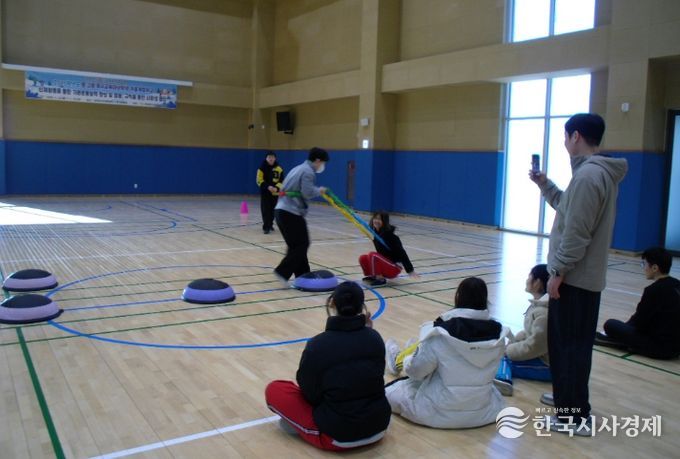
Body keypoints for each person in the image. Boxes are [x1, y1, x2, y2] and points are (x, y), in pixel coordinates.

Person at [529, 113, 628, 436]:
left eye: (565, 136)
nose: (564, 142)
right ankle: (566, 401)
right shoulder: (592, 174)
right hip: (581, 278)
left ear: (575, 137)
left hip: (575, 279)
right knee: (568, 346)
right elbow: (567, 209)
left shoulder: (588, 177)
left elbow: (577, 233)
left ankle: (573, 416)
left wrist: (558, 271)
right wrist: (544, 184)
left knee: (570, 348)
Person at [264, 281, 391, 451]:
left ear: (332, 303)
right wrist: (368, 331)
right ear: (362, 306)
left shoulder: (318, 345)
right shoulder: (375, 338)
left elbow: (310, 394)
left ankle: (303, 427)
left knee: (275, 389)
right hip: (380, 426)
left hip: (338, 435)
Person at [384, 277, 509, 429]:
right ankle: (409, 352)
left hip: (438, 411)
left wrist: (409, 360)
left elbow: (415, 372)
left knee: (388, 392)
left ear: (458, 297)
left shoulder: (440, 333)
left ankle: (400, 357)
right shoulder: (499, 335)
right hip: (484, 412)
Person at [595, 247, 680, 359]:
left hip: (660, 348)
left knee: (610, 325)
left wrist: (625, 330)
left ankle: (619, 341)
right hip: (677, 347)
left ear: (655, 268)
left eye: (644, 264)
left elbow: (640, 322)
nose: (643, 268)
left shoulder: (653, 290)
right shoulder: (677, 284)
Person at [493, 264, 551, 396]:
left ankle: (503, 381)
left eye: (530, 276)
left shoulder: (543, 313)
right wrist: (515, 341)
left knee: (503, 359)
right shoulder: (539, 306)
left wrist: (509, 351)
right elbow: (530, 332)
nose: (527, 279)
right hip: (541, 356)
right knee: (500, 354)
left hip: (548, 365)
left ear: (537, 282)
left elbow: (536, 346)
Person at [273, 147, 328, 283]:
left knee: (296, 245)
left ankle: (303, 275)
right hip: (290, 212)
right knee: (302, 244)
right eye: (323, 163)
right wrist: (320, 191)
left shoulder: (298, 168)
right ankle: (282, 272)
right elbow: (307, 192)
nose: (322, 166)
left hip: (281, 210)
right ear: (317, 160)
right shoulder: (308, 172)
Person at [359, 211, 418, 287]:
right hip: (386, 263)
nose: (376, 221)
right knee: (363, 258)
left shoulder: (391, 236)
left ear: (384, 221)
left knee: (373, 255)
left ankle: (381, 279)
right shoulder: (376, 234)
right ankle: (373, 276)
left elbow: (402, 253)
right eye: (375, 218)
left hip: (394, 268)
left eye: (379, 219)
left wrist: (410, 270)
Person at [256, 151, 285, 234]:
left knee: (273, 210)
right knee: (266, 210)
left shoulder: (279, 169)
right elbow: (259, 180)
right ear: (266, 158)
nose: (271, 159)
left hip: (275, 193)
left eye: (272, 157)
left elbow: (282, 181)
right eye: (269, 157)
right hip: (265, 192)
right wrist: (268, 187)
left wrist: (276, 188)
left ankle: (270, 224)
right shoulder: (261, 168)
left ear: (275, 158)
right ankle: (266, 227)